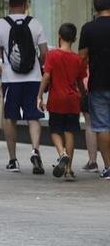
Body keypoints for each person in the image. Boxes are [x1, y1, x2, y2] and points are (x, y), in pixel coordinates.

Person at [0, 0, 49, 174]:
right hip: (33, 78)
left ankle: (13, 160)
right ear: (25, 4)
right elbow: (45, 53)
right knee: (34, 116)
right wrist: (39, 67)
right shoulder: (35, 23)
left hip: (10, 80)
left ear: (9, 4)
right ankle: (35, 150)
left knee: (10, 118)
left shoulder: (1, 25)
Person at [37, 23, 87, 181]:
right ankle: (69, 170)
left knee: (55, 130)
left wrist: (39, 95)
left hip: (56, 99)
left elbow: (46, 76)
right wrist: (83, 95)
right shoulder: (78, 59)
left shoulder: (52, 55)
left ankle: (62, 154)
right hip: (73, 101)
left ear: (59, 36)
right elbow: (80, 82)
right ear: (75, 39)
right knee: (69, 132)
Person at [79, 0, 110, 180]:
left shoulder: (88, 28)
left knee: (102, 126)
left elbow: (82, 58)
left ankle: (107, 166)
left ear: (95, 7)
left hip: (98, 83)